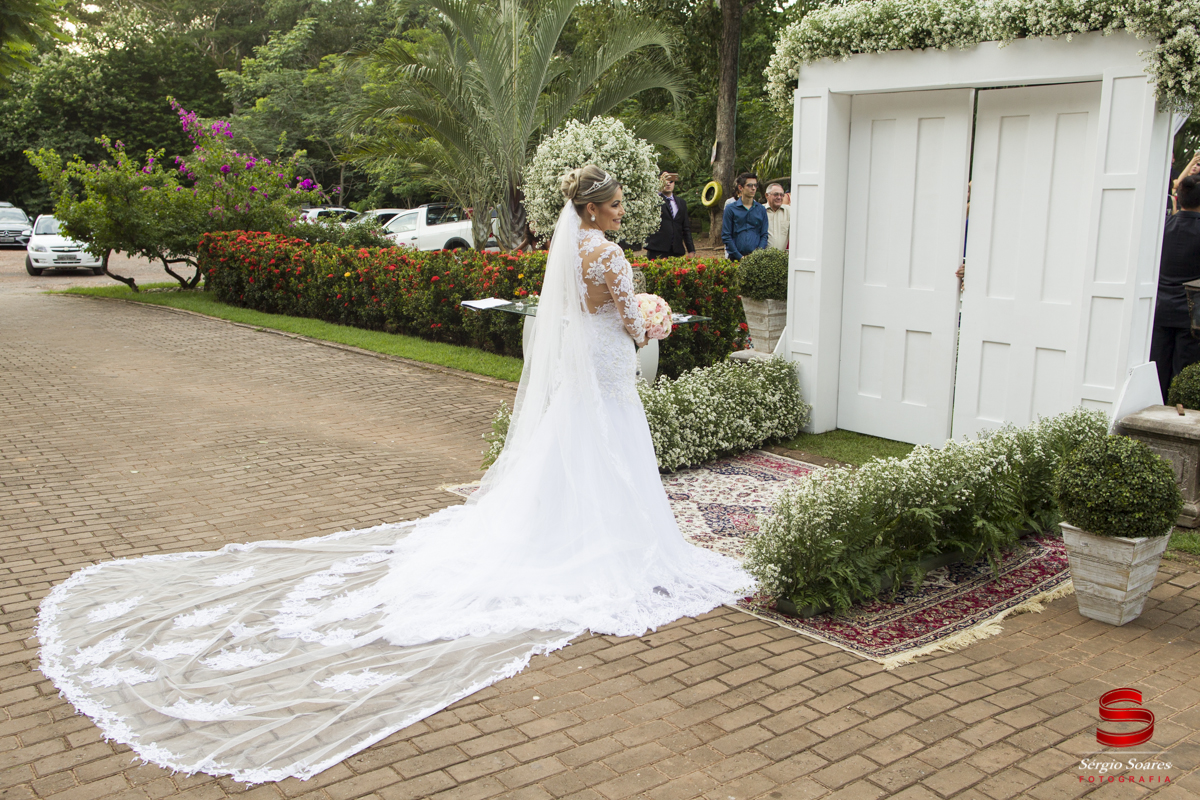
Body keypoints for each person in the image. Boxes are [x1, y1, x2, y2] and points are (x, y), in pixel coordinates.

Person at [35, 165, 748, 783]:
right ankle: (610, 542)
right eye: (617, 203)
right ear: (592, 209)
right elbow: (625, 319)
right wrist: (657, 322)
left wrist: (634, 321)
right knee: (611, 450)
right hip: (610, 368)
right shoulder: (612, 257)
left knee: (573, 450)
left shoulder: (568, 254)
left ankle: (567, 528)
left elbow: (573, 314)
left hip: (581, 370)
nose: (623, 212)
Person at [1151, 174, 1200, 402]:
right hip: (1192, 315)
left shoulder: (1162, 228)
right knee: (1183, 380)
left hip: (1160, 309)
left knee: (1156, 375)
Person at [643, 171, 695, 259]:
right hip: (657, 249)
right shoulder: (654, 200)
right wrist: (657, 189)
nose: (668, 184)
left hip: (676, 250)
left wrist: (691, 249)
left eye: (671, 181)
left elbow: (686, 228)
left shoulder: (681, 203)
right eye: (665, 181)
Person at [721, 172, 768, 260]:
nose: (753, 188)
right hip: (734, 259)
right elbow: (726, 235)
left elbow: (764, 235)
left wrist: (757, 255)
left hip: (756, 260)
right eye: (749, 185)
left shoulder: (761, 209)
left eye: (755, 185)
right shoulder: (730, 209)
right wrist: (739, 257)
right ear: (740, 187)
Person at [763, 183, 789, 250]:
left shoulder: (789, 211)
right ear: (767, 195)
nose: (779, 197)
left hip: (781, 257)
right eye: (776, 194)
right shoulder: (759, 210)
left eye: (782, 195)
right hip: (762, 257)